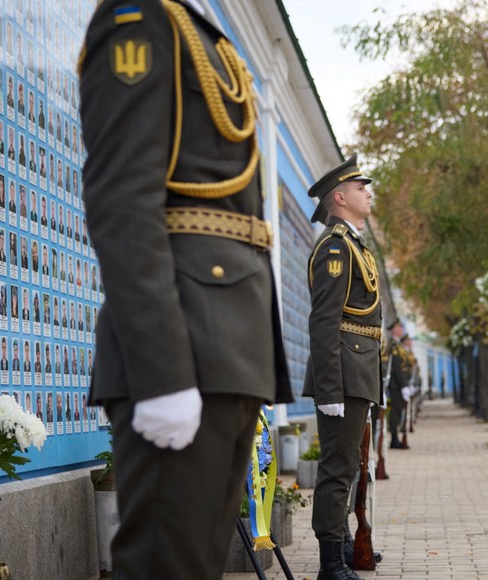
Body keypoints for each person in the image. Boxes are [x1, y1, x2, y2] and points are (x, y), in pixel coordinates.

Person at [79, 1, 292, 578]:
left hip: (229, 345)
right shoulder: (140, 19)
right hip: (188, 345)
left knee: (194, 564)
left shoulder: (199, 28)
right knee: (164, 566)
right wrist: (162, 372)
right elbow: (122, 200)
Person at [302, 153, 382, 580]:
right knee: (337, 468)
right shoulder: (335, 247)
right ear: (340, 196)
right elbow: (325, 321)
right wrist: (330, 390)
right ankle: (330, 564)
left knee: (350, 465)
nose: (367, 193)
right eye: (359, 188)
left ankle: (345, 545)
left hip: (358, 371)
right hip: (344, 375)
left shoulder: (353, 245)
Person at [384, 319, 407, 449]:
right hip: (395, 385)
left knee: (397, 411)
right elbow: (396, 368)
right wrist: (403, 386)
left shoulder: (397, 344)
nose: (402, 330)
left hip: (397, 384)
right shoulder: (394, 345)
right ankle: (393, 439)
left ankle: (395, 437)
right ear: (394, 329)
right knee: (394, 412)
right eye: (400, 327)